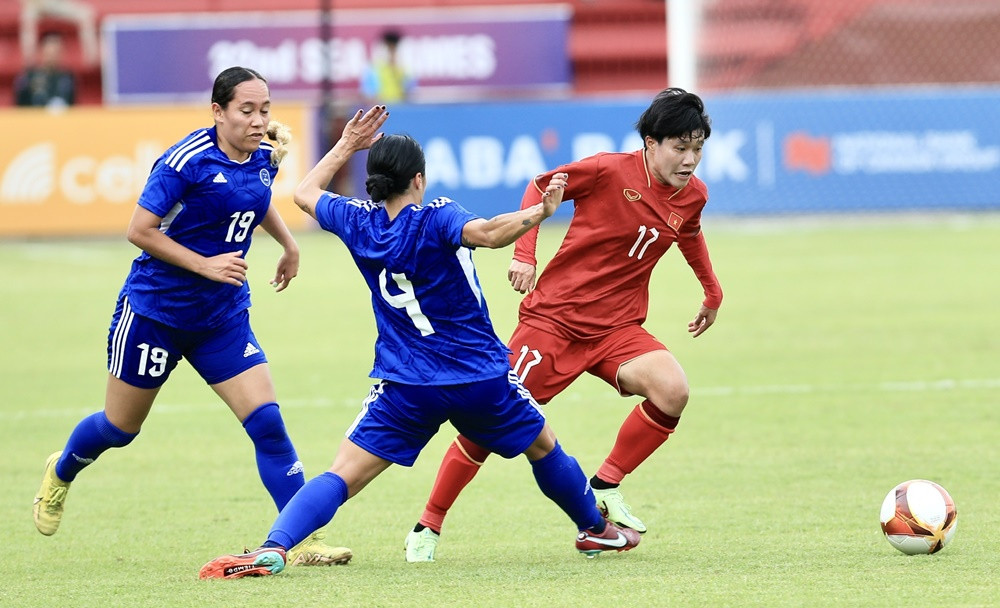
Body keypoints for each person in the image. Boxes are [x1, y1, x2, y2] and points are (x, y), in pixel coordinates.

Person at [198, 106, 640, 579]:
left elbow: (305, 193)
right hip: (480, 377)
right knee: (545, 449)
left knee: (342, 475)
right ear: (418, 178)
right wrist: (541, 212)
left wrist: (347, 144)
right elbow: (489, 235)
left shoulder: (357, 221)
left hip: (406, 383)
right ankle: (595, 527)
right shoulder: (437, 217)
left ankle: (276, 546)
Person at [32, 66, 352, 568]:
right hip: (156, 312)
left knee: (267, 423)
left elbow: (255, 196)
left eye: (265, 109)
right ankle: (63, 470)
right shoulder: (186, 161)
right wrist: (205, 264)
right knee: (120, 427)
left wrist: (288, 243)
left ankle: (301, 537)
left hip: (221, 316)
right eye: (246, 110)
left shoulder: (263, 154)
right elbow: (140, 229)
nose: (258, 120)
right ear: (218, 111)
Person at [403, 87, 723, 561]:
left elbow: (689, 235)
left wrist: (711, 290)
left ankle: (606, 485)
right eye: (681, 147)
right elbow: (540, 186)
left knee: (672, 389)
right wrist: (524, 252)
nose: (690, 159)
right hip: (554, 322)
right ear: (651, 143)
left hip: (617, 329)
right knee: (485, 425)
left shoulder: (693, 195)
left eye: (698, 148)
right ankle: (427, 525)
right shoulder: (608, 169)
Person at [20, 0, 99, 67]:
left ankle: (92, 58)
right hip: (36, 6)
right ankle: (29, 60)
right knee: (27, 18)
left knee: (86, 15)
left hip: (57, 5)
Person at [14, 31, 75, 108]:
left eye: (57, 51)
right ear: (41, 50)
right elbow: (19, 108)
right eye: (50, 52)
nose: (53, 56)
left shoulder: (69, 78)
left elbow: (73, 107)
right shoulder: (28, 77)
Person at [359, 29, 416, 105]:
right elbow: (368, 96)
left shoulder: (405, 70)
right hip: (381, 111)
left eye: (394, 49)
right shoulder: (373, 70)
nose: (391, 53)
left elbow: (410, 94)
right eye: (389, 49)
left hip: (401, 110)